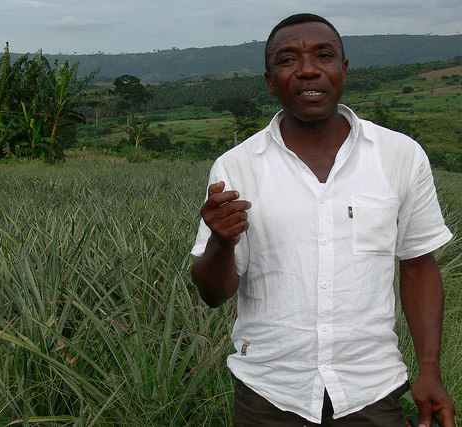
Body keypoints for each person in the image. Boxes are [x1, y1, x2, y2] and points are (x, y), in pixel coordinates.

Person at [190, 13, 456, 427]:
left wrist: (430, 370)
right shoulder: (236, 167)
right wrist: (220, 243)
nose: (308, 69)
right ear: (268, 79)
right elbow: (213, 294)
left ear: (343, 70)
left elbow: (419, 267)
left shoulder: (400, 155)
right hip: (269, 394)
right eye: (287, 59)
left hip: (371, 389)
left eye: (323, 55)